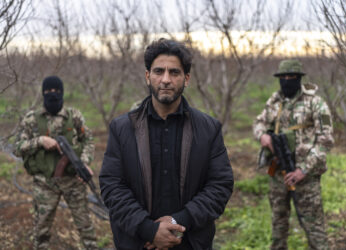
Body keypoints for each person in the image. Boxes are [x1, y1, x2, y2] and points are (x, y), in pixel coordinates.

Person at [99, 38, 234, 250]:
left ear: (186, 78)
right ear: (147, 76)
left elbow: (220, 185)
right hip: (138, 242)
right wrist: (149, 230)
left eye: (174, 72)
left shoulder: (208, 129)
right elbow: (112, 186)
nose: (165, 79)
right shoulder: (122, 128)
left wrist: (178, 221)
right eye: (158, 71)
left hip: (190, 242)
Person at [253, 59, 334, 249]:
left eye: (292, 77)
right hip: (278, 174)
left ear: (299, 78)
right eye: (283, 77)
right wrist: (263, 136)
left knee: (314, 228)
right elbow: (259, 123)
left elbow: (326, 140)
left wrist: (302, 170)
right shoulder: (274, 101)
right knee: (278, 225)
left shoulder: (315, 103)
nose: (287, 81)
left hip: (306, 177)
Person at [14, 76, 98, 250]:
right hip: (45, 184)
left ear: (63, 93)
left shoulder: (73, 116)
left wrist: (83, 163)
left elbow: (88, 140)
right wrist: (40, 141)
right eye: (48, 92)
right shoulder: (31, 119)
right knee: (41, 230)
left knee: (86, 228)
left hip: (73, 181)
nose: (53, 95)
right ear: (43, 93)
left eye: (57, 91)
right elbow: (17, 147)